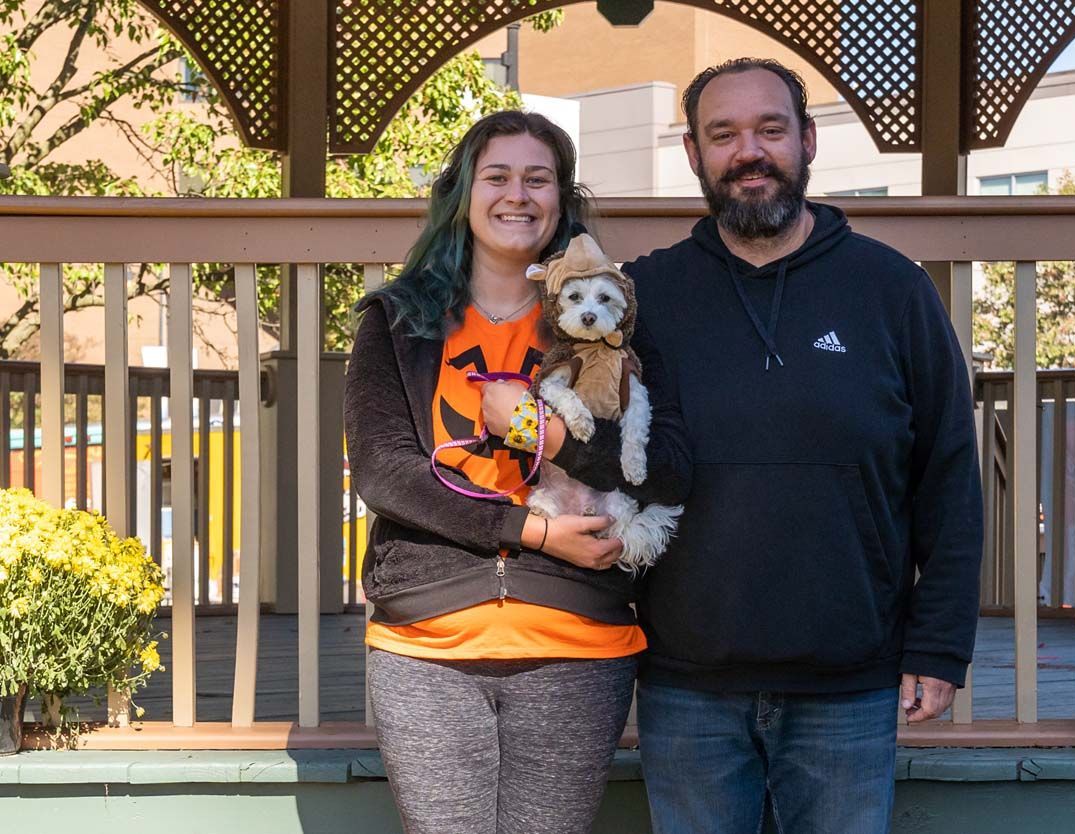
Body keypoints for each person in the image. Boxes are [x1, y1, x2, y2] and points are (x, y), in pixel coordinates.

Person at [623, 59, 984, 834]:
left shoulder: (893, 290)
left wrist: (941, 646)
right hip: (687, 683)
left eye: (770, 129)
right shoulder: (644, 296)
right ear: (693, 153)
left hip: (849, 685)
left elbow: (949, 477)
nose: (748, 151)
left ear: (808, 140)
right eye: (724, 134)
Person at [344, 110, 690, 834]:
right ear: (464, 191)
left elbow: (664, 468)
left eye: (539, 179)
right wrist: (532, 530)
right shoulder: (397, 320)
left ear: (562, 199)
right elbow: (383, 473)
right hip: (427, 639)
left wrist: (537, 429)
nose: (518, 195)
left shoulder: (610, 322)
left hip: (575, 637)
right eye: (497, 176)